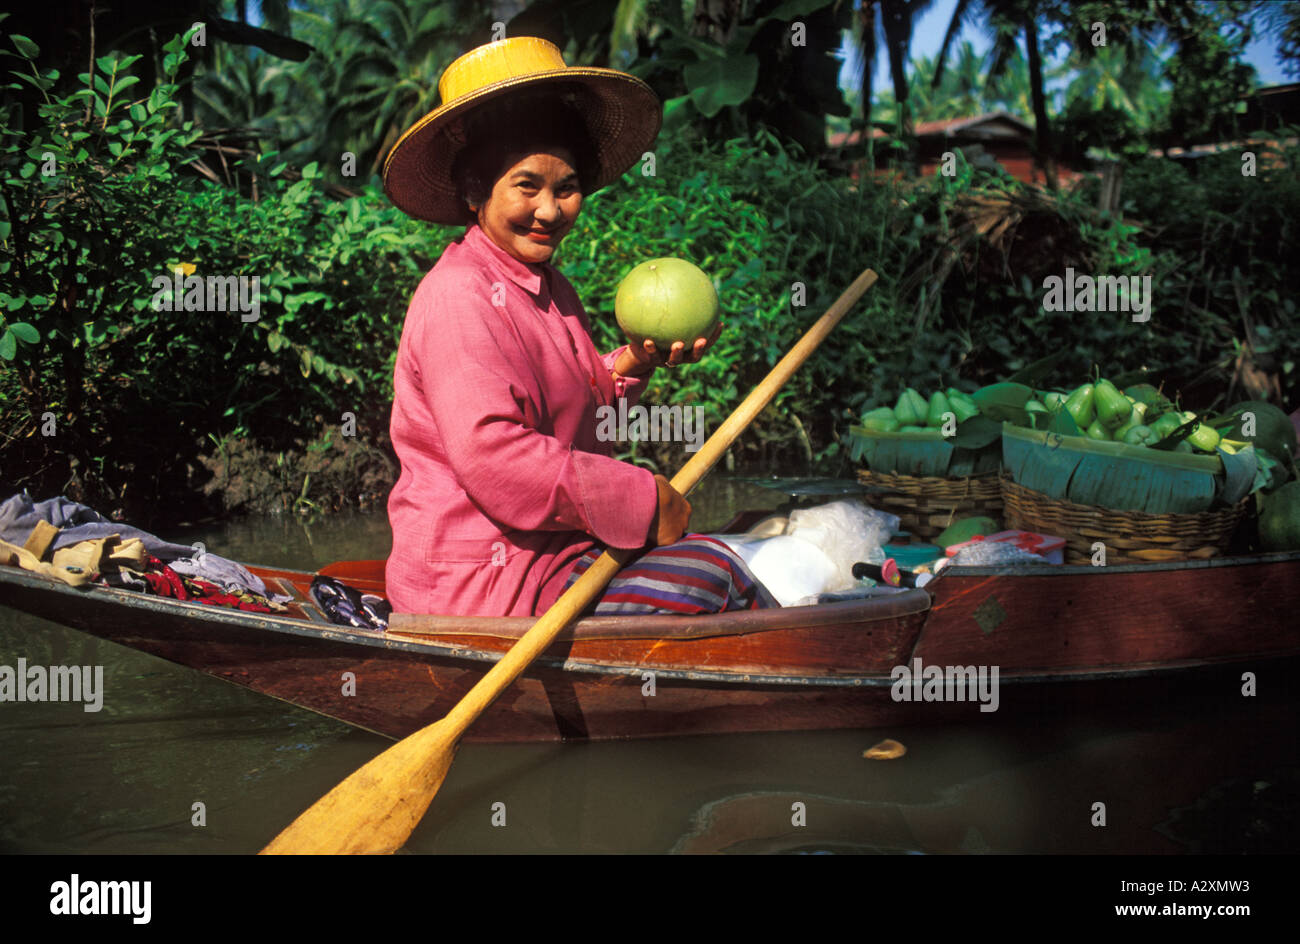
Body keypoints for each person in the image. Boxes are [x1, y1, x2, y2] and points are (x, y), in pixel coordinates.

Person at [381, 37, 777, 617]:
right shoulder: (457, 296)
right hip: (483, 584)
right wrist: (640, 498)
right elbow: (496, 457)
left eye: (566, 188)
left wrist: (636, 362)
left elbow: (583, 406)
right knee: (710, 575)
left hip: (557, 555)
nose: (550, 210)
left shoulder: (548, 287)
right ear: (474, 193)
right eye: (527, 185)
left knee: (726, 554)